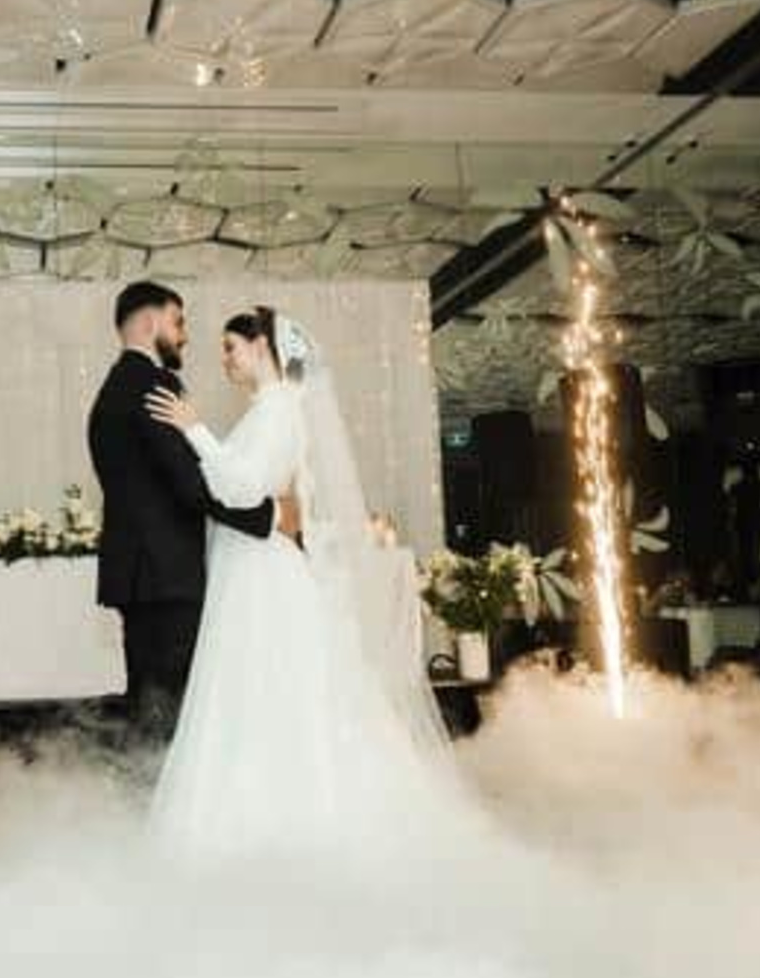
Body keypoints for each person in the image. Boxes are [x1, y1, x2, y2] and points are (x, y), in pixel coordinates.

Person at [143, 306, 472, 859]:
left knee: (267, 691)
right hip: (246, 567)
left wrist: (192, 430)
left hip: (260, 574)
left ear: (264, 348)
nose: (225, 359)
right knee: (256, 692)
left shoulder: (277, 412)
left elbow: (245, 487)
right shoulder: (265, 411)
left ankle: (288, 826)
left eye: (232, 347)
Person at [87, 281, 278, 736]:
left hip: (139, 574)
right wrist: (264, 518)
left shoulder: (112, 388)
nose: (184, 334)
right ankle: (157, 797)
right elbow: (189, 483)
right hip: (166, 573)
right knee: (170, 705)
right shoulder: (154, 383)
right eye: (178, 321)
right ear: (151, 322)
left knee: (149, 695)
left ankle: (141, 791)